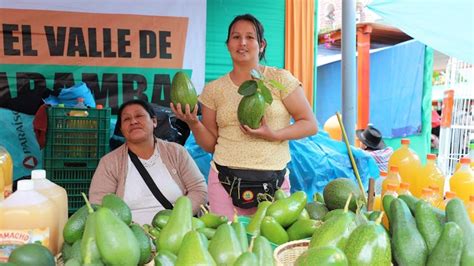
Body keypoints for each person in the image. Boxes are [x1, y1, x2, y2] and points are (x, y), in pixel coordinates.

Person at [171, 14, 318, 219]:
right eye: (235, 37)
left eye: (250, 37)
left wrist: (273, 134)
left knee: (267, 246)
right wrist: (193, 122)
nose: (242, 42)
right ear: (228, 44)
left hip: (273, 182)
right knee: (227, 244)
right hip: (224, 181)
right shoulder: (214, 89)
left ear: (262, 44)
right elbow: (210, 145)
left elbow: (310, 124)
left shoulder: (279, 79)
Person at [89, 99, 207, 225]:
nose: (133, 121)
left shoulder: (176, 152)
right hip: (130, 237)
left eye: (139, 116)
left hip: (177, 230)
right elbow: (98, 203)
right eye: (126, 119)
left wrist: (178, 218)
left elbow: (199, 190)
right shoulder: (109, 162)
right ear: (122, 129)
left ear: (154, 121)